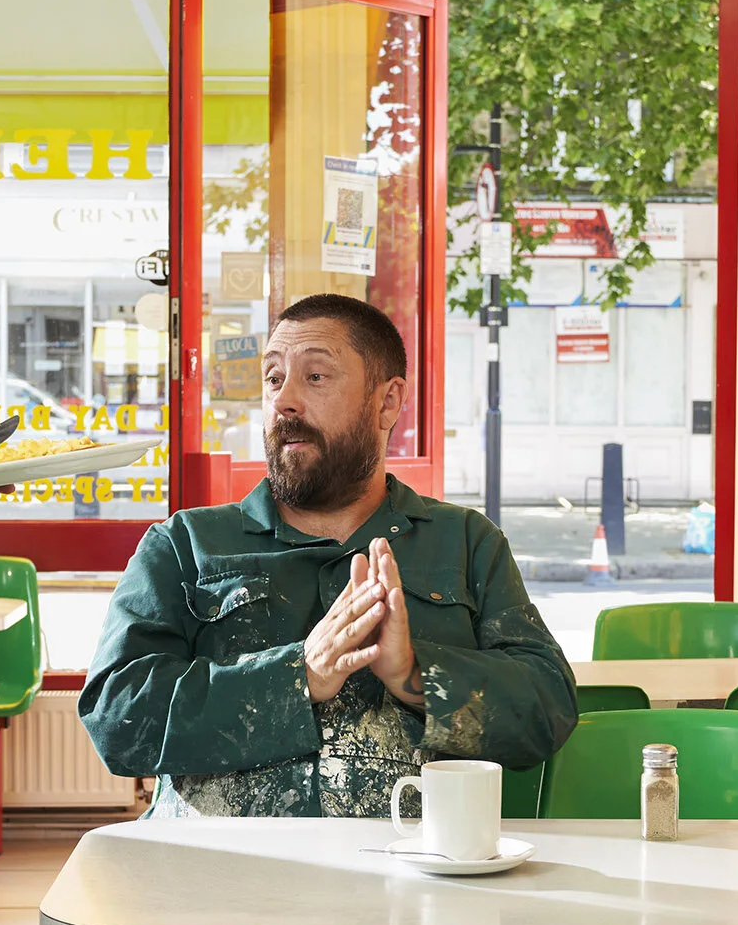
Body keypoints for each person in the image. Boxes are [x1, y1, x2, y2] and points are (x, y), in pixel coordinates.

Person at [81, 293, 576, 817]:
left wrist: (415, 674)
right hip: (218, 864)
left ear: (388, 402)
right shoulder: (185, 544)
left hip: (416, 862)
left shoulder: (466, 542)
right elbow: (116, 720)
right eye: (274, 378)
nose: (284, 401)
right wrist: (297, 676)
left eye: (315, 376)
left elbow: (548, 711)